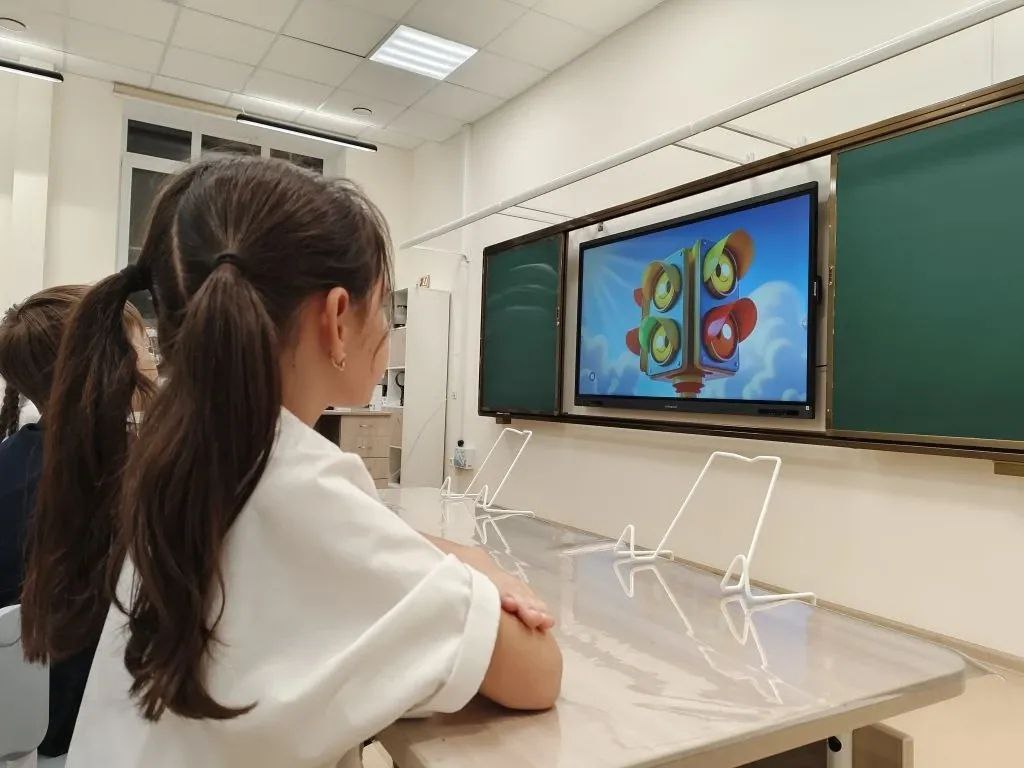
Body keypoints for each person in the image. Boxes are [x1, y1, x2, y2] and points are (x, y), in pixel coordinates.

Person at [50, 156, 560, 767]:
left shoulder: (193, 452)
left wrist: (445, 559)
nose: (388, 328)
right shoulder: (297, 479)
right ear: (338, 318)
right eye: (385, 308)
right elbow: (536, 672)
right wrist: (484, 574)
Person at [0, 285, 151, 756]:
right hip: (87, 732)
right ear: (109, 366)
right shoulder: (127, 479)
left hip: (21, 732)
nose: (153, 359)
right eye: (145, 345)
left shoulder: (11, 461)